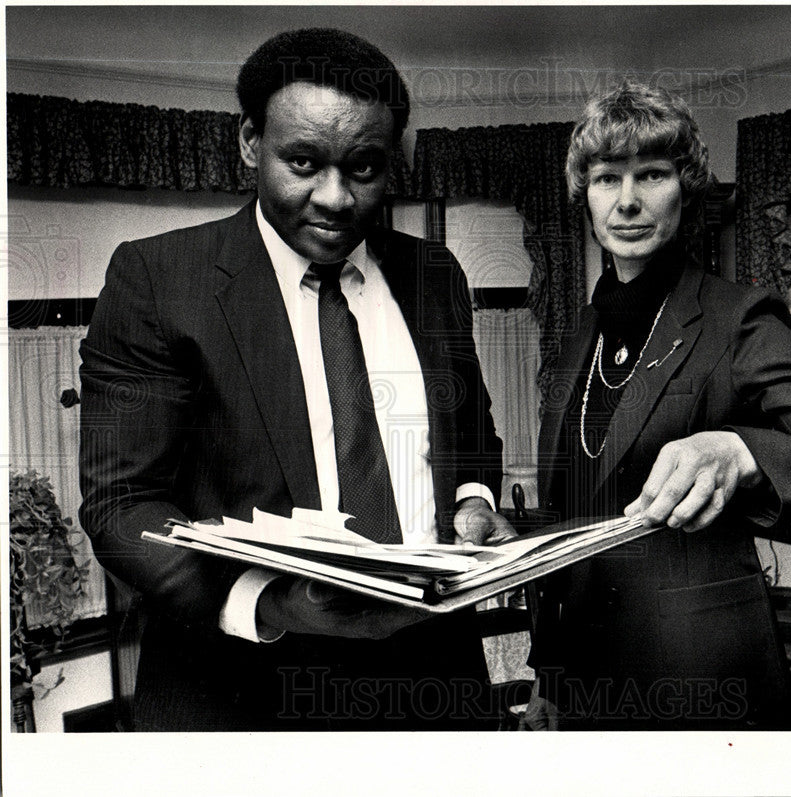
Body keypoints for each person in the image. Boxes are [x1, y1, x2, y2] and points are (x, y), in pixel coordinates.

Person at [79, 27, 513, 731]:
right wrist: (268, 600)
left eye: (365, 168)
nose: (336, 198)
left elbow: (469, 437)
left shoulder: (434, 276)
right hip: (243, 695)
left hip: (434, 686)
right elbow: (121, 506)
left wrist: (473, 502)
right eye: (304, 162)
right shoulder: (158, 280)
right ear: (251, 142)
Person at [520, 82, 791, 730]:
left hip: (701, 684)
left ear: (686, 187)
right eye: (606, 177)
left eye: (651, 174)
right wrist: (548, 678)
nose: (627, 200)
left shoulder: (738, 320)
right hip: (587, 690)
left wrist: (742, 451)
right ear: (583, 196)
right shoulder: (579, 335)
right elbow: (569, 526)